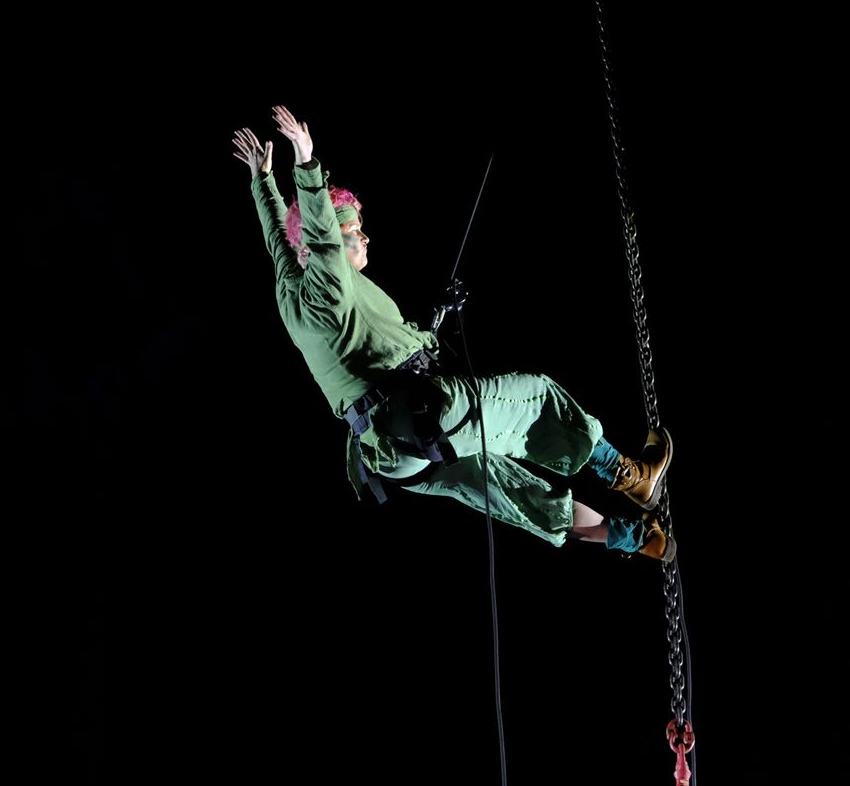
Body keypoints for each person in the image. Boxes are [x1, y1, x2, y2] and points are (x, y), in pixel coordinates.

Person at [234, 105, 676, 560]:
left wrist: (261, 179)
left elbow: (277, 240)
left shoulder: (291, 294)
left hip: (389, 456)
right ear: (321, 241)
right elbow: (320, 233)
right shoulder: (329, 286)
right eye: (355, 229)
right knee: (538, 398)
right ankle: (629, 476)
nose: (364, 237)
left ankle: (639, 539)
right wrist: (305, 161)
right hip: (416, 418)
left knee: (510, 489)